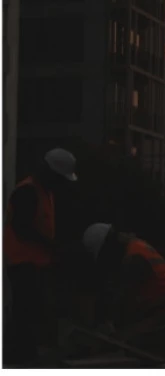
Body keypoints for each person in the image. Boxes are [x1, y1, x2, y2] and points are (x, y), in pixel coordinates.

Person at [3, 148, 78, 363]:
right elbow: (22, 227)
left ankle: (23, 354)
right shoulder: (28, 191)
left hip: (34, 262)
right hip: (22, 262)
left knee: (32, 310)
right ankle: (20, 356)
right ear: (50, 172)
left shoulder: (44, 191)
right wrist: (52, 246)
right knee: (25, 311)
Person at [82, 223, 165, 338]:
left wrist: (108, 319)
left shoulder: (133, 258)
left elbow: (124, 294)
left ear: (109, 245)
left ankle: (158, 322)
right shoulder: (133, 245)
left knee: (122, 332)